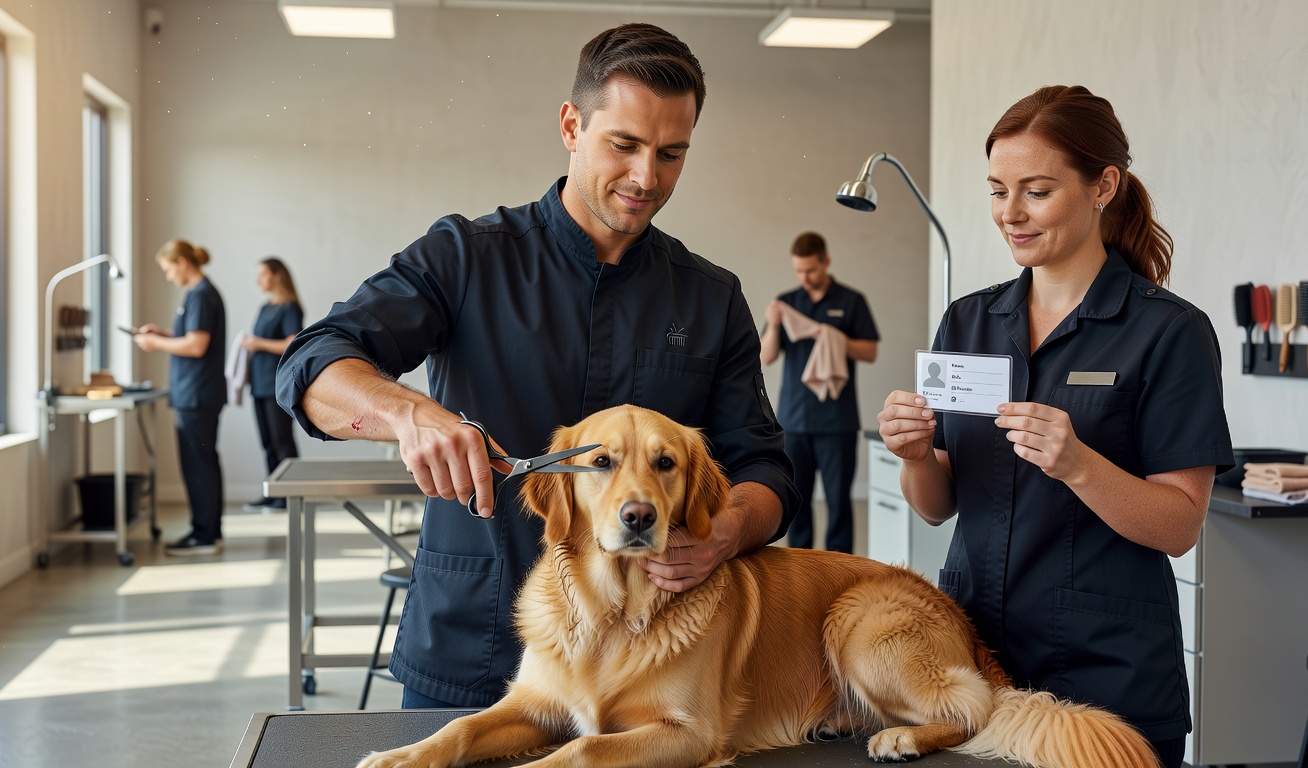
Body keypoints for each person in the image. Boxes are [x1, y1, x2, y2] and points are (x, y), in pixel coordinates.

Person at [276, 23, 796, 709]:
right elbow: (311, 366)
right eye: (625, 145)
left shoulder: (709, 296)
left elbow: (764, 467)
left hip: (645, 671)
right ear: (571, 125)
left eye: (672, 155)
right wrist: (411, 414)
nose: (647, 178)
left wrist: (725, 530)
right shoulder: (464, 257)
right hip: (474, 645)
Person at [875, 85, 1232, 768]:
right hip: (971, 667)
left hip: (1106, 680)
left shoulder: (1170, 333)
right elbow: (935, 507)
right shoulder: (968, 323)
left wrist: (1078, 464)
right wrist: (917, 455)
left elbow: (1180, 526)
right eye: (996, 191)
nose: (1010, 214)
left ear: (1104, 185)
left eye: (1036, 191)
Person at [759, 232, 878, 554]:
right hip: (794, 420)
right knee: (796, 501)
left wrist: (833, 338)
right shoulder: (787, 303)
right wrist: (772, 325)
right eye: (799, 271)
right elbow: (766, 356)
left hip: (838, 421)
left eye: (810, 270)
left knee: (839, 501)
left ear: (825, 262)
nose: (805, 277)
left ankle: (840, 571)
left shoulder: (851, 301)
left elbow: (869, 351)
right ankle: (801, 569)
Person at [134, 239, 228, 555]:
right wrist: (162, 334)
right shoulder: (198, 295)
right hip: (196, 394)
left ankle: (204, 535)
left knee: (199, 465)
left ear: (183, 263)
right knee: (202, 463)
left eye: (168, 269)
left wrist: (155, 345)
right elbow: (189, 337)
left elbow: (196, 345)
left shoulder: (202, 296)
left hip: (197, 396)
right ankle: (208, 532)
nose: (168, 276)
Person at [240, 257, 304, 511]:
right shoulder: (266, 307)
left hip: (277, 384)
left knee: (281, 440)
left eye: (263, 274)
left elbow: (292, 342)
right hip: (259, 384)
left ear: (277, 275)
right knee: (267, 442)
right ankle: (273, 491)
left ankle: (288, 495)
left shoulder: (290, 308)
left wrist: (259, 344)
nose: (258, 280)